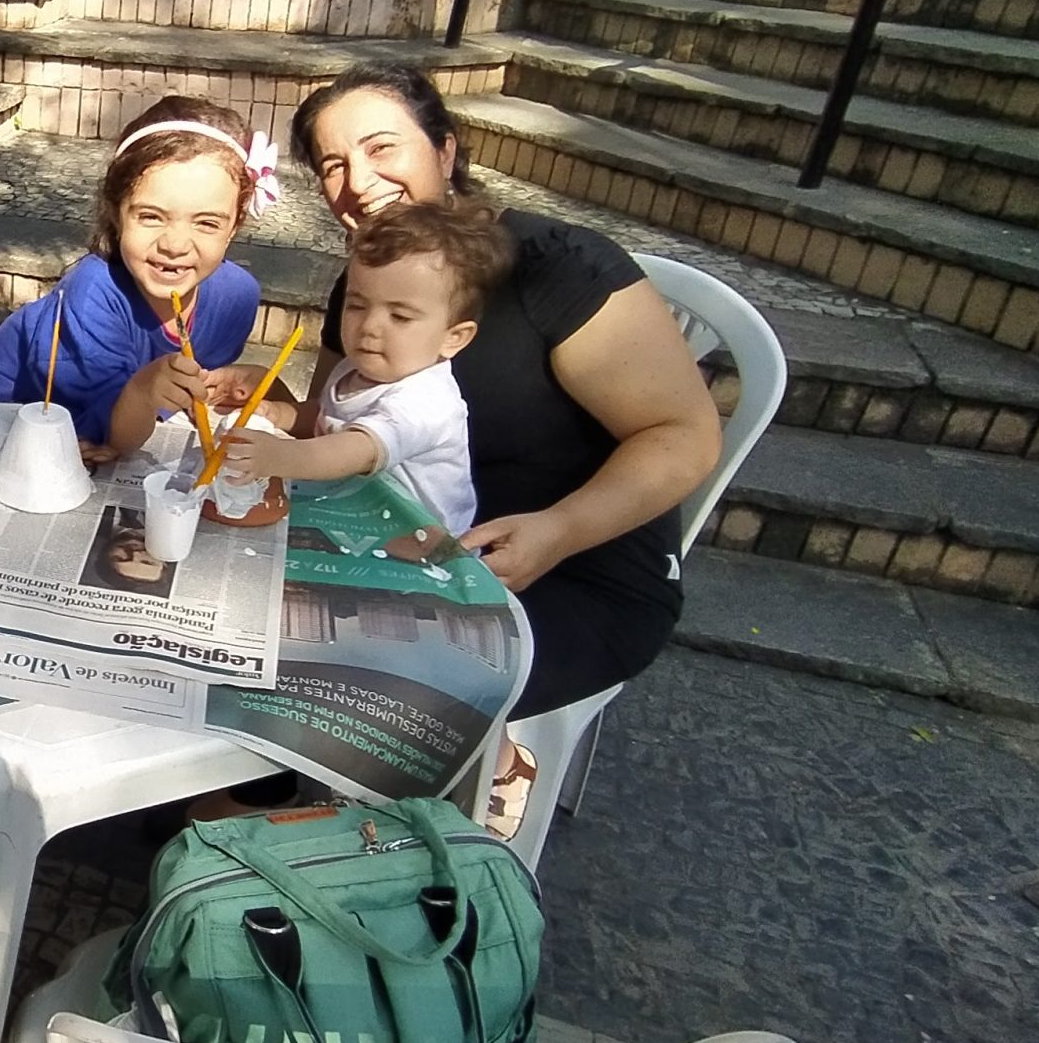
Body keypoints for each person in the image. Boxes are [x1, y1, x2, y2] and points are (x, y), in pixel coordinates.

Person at [290, 62, 721, 832]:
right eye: (332, 164)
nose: (357, 182)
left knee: (345, 669)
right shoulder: (374, 279)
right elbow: (326, 427)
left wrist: (559, 531)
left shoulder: (557, 268)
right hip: (410, 555)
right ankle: (250, 817)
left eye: (381, 148)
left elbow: (685, 435)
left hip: (574, 571)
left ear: (445, 150)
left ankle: (443, 805)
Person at [0, 96, 277, 452]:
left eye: (206, 223)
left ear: (235, 226)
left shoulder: (237, 298)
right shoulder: (93, 294)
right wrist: (145, 391)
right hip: (10, 425)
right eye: (151, 217)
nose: (175, 245)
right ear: (116, 213)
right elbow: (106, 437)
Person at [216, 202, 510, 535]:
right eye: (357, 305)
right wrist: (279, 414)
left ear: (454, 337)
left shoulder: (426, 400)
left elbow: (357, 450)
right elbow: (329, 418)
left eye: (399, 316)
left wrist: (280, 455)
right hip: (360, 521)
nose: (369, 326)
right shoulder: (358, 369)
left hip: (422, 544)